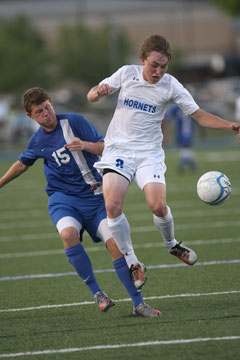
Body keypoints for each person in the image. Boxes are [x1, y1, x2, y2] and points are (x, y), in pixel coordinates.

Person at [0, 87, 161, 318]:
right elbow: (22, 163)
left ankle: (139, 304)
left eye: (47, 107)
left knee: (116, 246)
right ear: (30, 116)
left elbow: (107, 147)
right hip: (63, 200)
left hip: (96, 198)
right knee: (68, 235)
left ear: (52, 103)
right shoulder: (37, 141)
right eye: (39, 111)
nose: (46, 113)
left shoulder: (74, 121)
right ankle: (98, 293)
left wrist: (85, 145)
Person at [87, 34, 240, 267]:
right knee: (112, 205)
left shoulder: (171, 85)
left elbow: (199, 115)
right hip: (118, 150)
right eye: (154, 65)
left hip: (149, 153)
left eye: (164, 66)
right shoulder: (126, 73)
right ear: (142, 61)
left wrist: (231, 125)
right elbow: (91, 96)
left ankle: (171, 244)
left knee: (158, 206)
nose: (159, 71)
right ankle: (132, 262)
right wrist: (98, 92)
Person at [164, 104, 197, 173]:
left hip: (182, 130)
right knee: (185, 147)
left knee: (185, 147)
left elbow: (168, 117)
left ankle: (184, 164)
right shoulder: (191, 106)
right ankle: (190, 164)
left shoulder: (177, 108)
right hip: (188, 130)